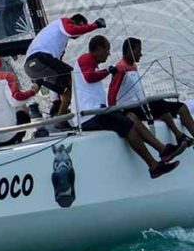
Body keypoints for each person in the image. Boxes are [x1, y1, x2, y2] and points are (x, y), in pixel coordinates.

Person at [74, 35, 180, 179]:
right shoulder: (85, 58)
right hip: (89, 116)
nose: (109, 54)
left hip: (98, 112)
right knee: (128, 125)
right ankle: (154, 166)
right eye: (107, 50)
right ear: (98, 49)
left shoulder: (91, 65)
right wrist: (108, 71)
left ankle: (163, 150)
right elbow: (89, 77)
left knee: (131, 117)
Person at [108, 37, 194, 150]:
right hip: (131, 108)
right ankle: (179, 136)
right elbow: (112, 93)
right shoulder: (120, 68)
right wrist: (113, 112)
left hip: (142, 105)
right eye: (138, 51)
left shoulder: (133, 66)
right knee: (158, 103)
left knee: (181, 107)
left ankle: (186, 135)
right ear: (129, 50)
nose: (141, 54)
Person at [24, 14, 105, 115]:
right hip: (39, 58)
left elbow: (57, 67)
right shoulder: (64, 22)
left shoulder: (61, 42)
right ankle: (70, 113)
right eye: (81, 27)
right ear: (75, 23)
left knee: (66, 86)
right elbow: (72, 30)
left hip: (31, 67)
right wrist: (95, 25)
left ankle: (57, 110)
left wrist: (55, 98)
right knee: (75, 76)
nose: (80, 33)